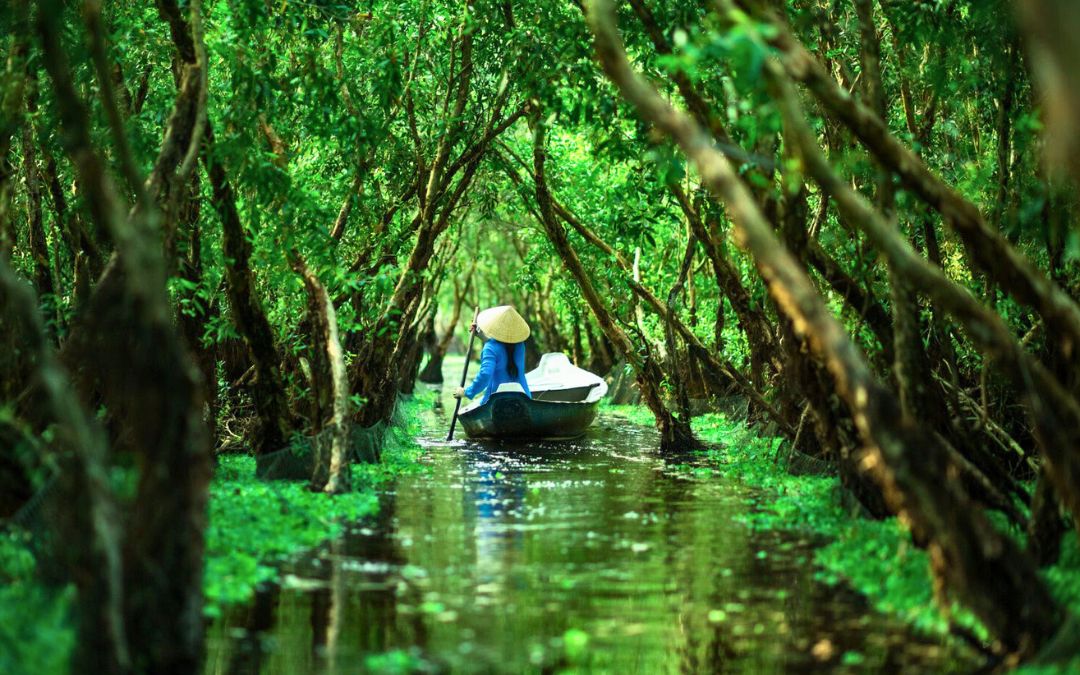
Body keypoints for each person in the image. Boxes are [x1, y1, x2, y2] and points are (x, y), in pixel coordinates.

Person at [453, 305, 532, 404]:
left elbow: (486, 374)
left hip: (497, 402)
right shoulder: (520, 345)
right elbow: (503, 348)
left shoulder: (490, 348)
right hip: (524, 399)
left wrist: (467, 392)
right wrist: (481, 335)